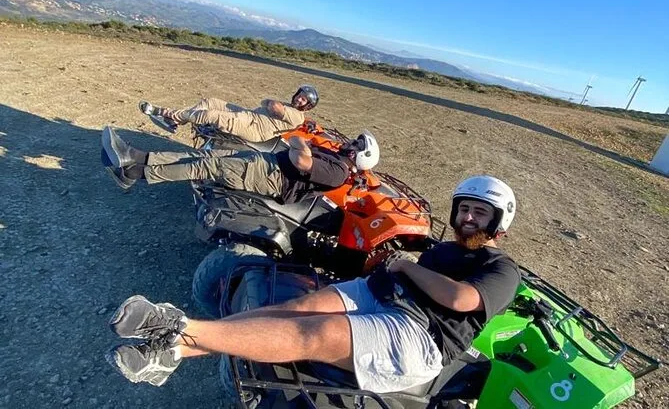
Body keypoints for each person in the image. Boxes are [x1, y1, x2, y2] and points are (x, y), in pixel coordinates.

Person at [105, 175, 521, 392]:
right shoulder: (443, 250)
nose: (468, 217)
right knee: (296, 308)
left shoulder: (502, 268)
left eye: (480, 213)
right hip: (381, 294)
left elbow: (461, 298)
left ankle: (178, 326)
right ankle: (173, 352)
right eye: (464, 209)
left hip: (420, 334)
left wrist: (406, 267)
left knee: (317, 333)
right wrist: (396, 268)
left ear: (499, 223)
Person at [101, 126, 379, 204]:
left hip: (270, 176)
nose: (352, 142)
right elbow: (298, 147)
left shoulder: (338, 172)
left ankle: (133, 172)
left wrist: (300, 143)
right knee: (204, 158)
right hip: (268, 164)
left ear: (360, 156)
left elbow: (300, 159)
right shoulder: (335, 158)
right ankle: (135, 155)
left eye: (358, 144)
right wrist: (300, 144)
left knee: (203, 168)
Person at [139, 85, 319, 142]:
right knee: (211, 102)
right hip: (248, 115)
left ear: (308, 106)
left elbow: (272, 105)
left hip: (253, 127)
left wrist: (274, 104)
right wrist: (272, 104)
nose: (299, 99)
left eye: (304, 100)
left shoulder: (298, 116)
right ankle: (175, 122)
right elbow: (265, 102)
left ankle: (165, 113)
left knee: (210, 115)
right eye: (299, 95)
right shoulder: (289, 106)